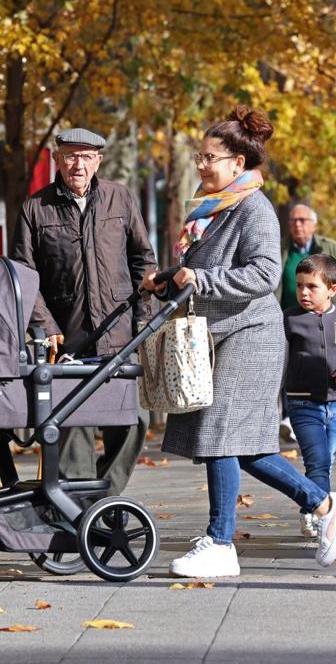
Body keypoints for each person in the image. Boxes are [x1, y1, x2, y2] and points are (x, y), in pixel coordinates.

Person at [144, 106, 336, 578]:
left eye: (210, 157)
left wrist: (202, 278)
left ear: (237, 163)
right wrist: (168, 281)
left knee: (218, 432)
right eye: (200, 156)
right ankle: (323, 504)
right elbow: (204, 275)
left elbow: (266, 273)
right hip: (221, 335)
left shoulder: (255, 209)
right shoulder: (211, 211)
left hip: (252, 335)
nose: (201, 164)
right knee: (243, 446)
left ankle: (220, 541)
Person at [10, 127, 156, 496]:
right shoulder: (35, 208)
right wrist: (43, 324)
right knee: (72, 424)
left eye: (86, 157)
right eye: (71, 156)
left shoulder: (119, 199)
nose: (78, 164)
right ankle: (75, 507)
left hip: (120, 336)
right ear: (57, 160)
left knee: (134, 421)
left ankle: (102, 496)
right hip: (67, 338)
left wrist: (144, 316)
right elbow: (23, 275)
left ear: (98, 161)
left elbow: (143, 261)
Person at [282, 254, 336, 537]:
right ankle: (322, 518)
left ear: (332, 288)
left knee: (326, 458)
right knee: (318, 461)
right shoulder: (289, 319)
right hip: (302, 402)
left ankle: (312, 509)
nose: (303, 292)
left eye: (311, 287)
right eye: (299, 285)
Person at [278, 204, 336, 310]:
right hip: (287, 317)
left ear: (314, 225)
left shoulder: (331, 248)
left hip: (323, 316)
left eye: (302, 220)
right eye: (293, 220)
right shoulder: (278, 248)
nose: (297, 224)